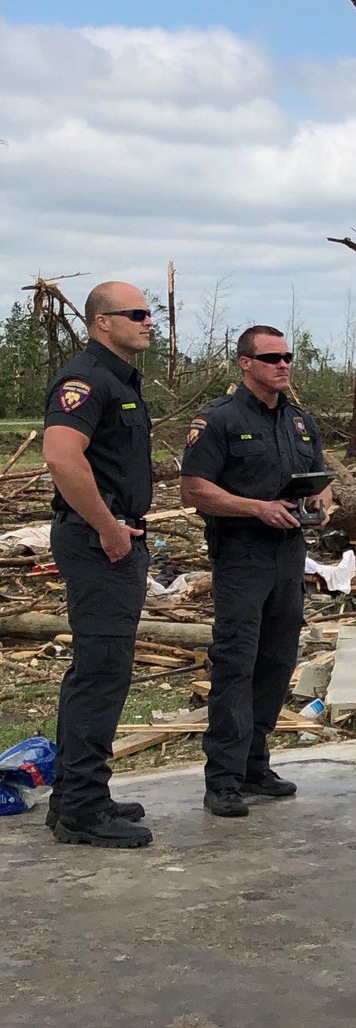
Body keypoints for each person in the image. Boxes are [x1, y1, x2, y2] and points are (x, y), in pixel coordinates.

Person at [180, 326, 331, 818]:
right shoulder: (219, 421)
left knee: (277, 660)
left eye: (287, 356)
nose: (282, 365)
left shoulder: (300, 422)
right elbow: (195, 490)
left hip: (289, 553)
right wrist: (254, 508)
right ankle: (222, 778)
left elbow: (321, 477)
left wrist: (320, 502)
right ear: (245, 363)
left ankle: (254, 765)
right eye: (270, 358)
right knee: (236, 661)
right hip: (243, 554)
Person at [43, 281, 154, 848]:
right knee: (103, 672)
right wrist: (108, 528)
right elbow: (62, 455)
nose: (148, 321)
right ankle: (84, 809)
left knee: (95, 669)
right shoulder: (85, 379)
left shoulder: (119, 381)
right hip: (97, 543)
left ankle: (73, 796)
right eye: (136, 314)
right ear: (101, 322)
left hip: (111, 539)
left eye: (150, 313)